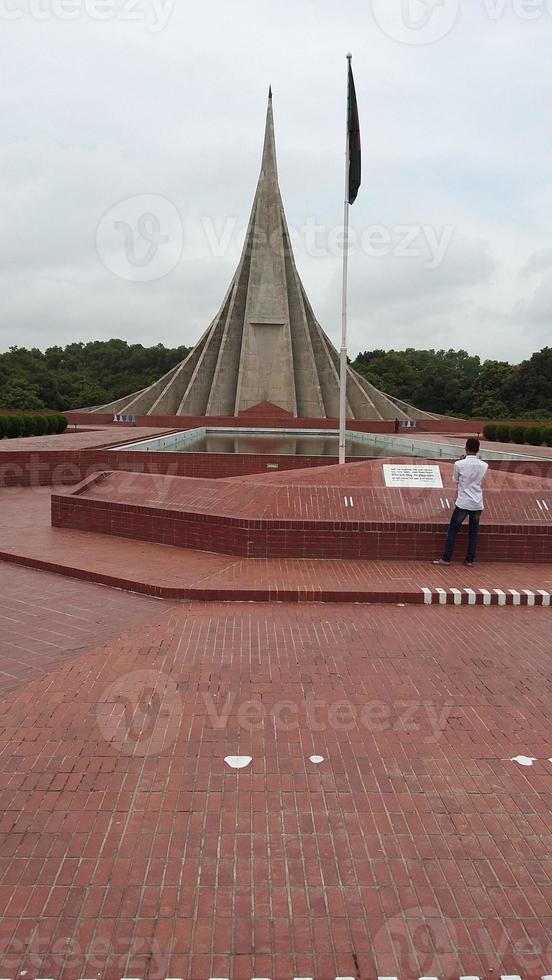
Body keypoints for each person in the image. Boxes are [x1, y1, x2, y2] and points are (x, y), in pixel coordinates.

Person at [433, 437, 489, 567]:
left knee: (453, 530)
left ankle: (446, 558)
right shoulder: (484, 465)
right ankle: (470, 560)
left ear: (466, 448)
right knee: (473, 532)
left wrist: (461, 461)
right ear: (478, 449)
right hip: (477, 502)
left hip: (463, 501)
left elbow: (455, 480)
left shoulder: (459, 464)